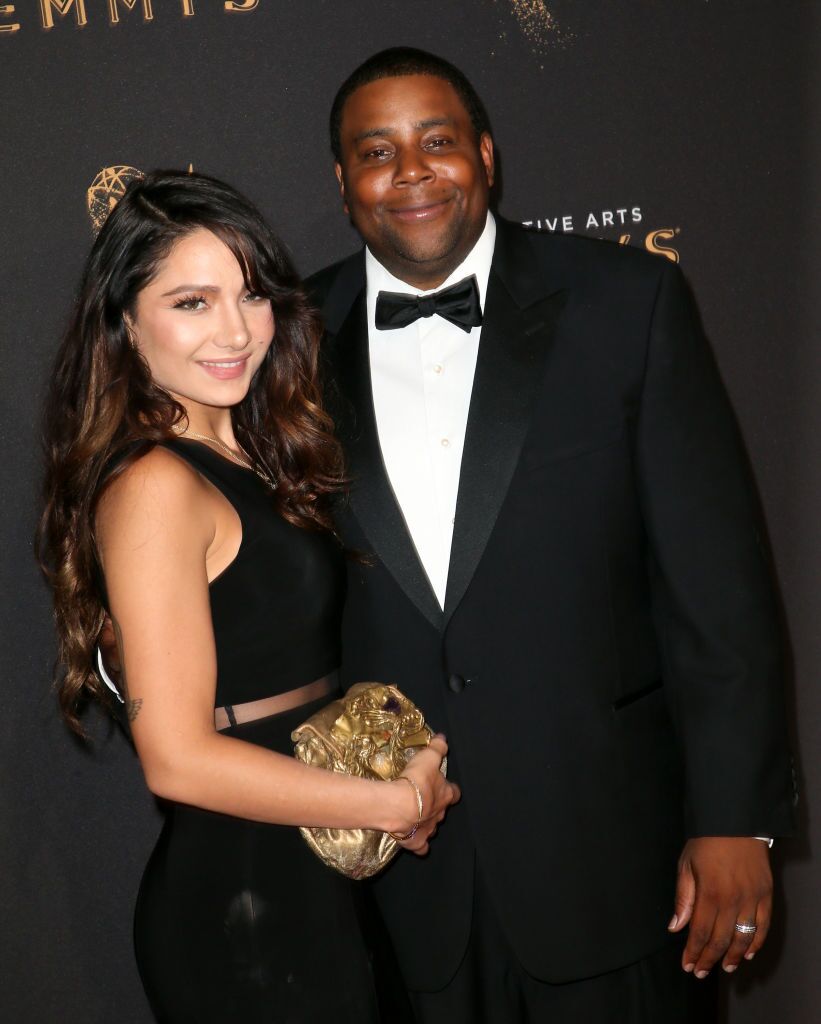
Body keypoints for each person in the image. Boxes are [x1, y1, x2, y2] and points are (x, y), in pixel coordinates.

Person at [307, 48, 796, 1022]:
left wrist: (737, 819)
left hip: (610, 860)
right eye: (376, 151)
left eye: (436, 142)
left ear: (485, 154)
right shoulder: (283, 339)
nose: (410, 172)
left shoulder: (627, 302)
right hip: (400, 881)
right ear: (341, 182)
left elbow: (715, 583)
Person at [36, 170, 459, 1024]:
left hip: (316, 883)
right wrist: (391, 803)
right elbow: (177, 757)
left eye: (253, 294)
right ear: (124, 321)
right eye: (191, 302)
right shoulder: (155, 482)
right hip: (247, 911)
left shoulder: (254, 455)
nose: (235, 331)